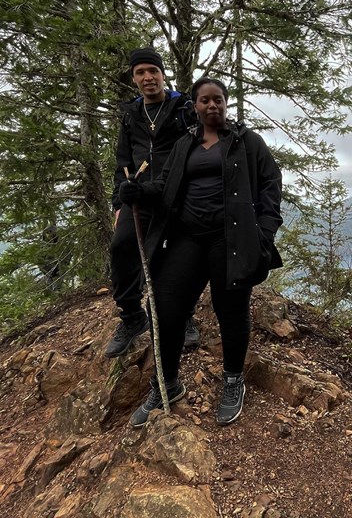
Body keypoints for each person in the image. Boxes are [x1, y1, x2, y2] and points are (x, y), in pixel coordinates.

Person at [118, 76, 283, 428]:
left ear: (226, 103)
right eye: (205, 100)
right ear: (194, 105)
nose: (212, 106)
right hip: (187, 238)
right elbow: (165, 186)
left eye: (218, 99)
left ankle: (233, 380)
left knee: (231, 311)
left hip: (232, 240)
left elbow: (271, 184)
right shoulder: (184, 144)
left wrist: (264, 233)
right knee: (165, 307)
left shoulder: (247, 142)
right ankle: (167, 385)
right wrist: (138, 192)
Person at [105, 47, 201, 358]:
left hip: (177, 198)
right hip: (137, 200)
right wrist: (119, 199)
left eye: (153, 71)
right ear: (134, 78)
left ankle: (184, 317)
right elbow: (122, 159)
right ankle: (133, 317)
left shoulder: (184, 107)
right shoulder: (131, 115)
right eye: (140, 72)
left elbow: (200, 150)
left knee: (177, 261)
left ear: (163, 74)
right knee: (121, 249)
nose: (148, 77)